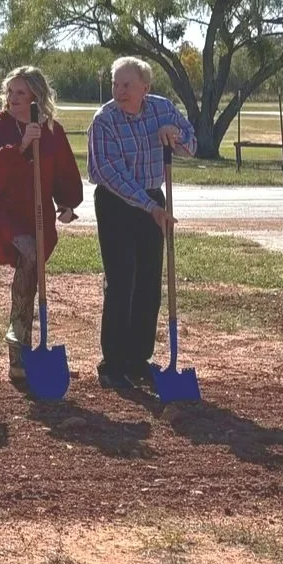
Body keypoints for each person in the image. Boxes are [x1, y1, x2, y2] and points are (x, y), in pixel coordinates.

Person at [87, 56, 198, 389]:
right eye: (115, 84)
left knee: (150, 282)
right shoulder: (104, 120)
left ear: (144, 88)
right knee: (122, 281)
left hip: (153, 198)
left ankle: (138, 360)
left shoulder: (162, 108)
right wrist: (148, 206)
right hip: (117, 203)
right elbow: (108, 172)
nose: (119, 91)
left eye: (127, 85)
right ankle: (113, 364)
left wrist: (174, 135)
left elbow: (192, 145)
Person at [0, 65, 84, 393]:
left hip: (38, 216)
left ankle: (21, 348)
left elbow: (65, 171)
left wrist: (68, 203)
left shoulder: (52, 131)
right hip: (5, 211)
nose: (12, 99)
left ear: (36, 97)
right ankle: (17, 333)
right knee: (27, 253)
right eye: (10, 92)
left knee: (33, 270)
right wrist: (23, 144)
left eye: (20, 93)